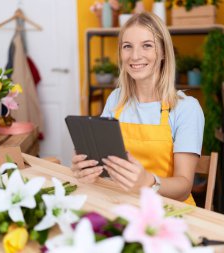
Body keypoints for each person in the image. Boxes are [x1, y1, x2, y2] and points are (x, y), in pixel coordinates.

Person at [71, 12, 204, 206]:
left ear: (164, 52)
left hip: (168, 211)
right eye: (127, 47)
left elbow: (184, 188)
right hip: (121, 203)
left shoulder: (186, 108)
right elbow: (103, 164)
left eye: (147, 45)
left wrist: (149, 182)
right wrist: (86, 167)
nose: (135, 56)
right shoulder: (116, 100)